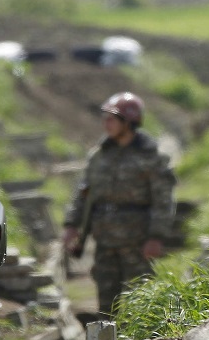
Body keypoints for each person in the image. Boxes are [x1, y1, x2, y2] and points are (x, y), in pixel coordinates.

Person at [62, 92, 176, 317]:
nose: (106, 124)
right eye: (105, 118)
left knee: (142, 300)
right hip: (104, 242)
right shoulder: (99, 155)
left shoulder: (151, 156)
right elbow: (84, 193)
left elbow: (163, 200)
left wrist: (156, 237)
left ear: (129, 122)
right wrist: (71, 225)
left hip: (138, 243)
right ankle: (107, 338)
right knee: (106, 305)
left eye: (112, 119)